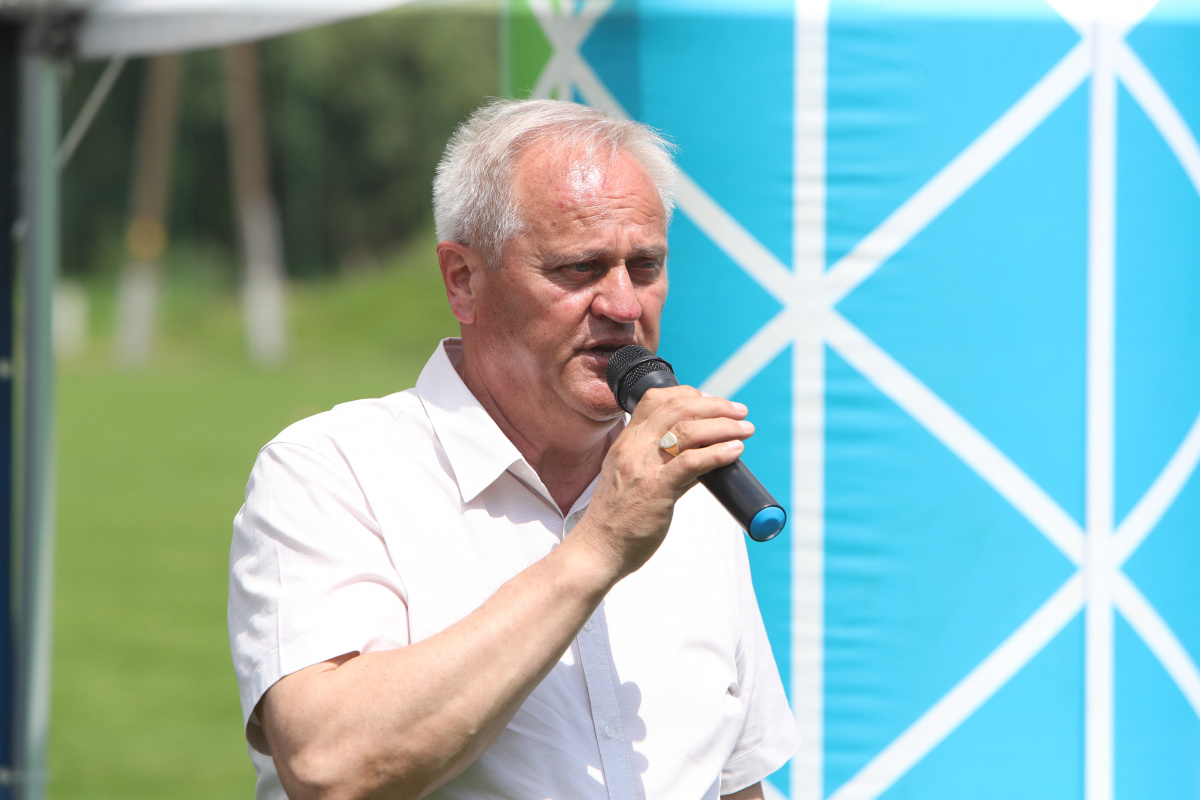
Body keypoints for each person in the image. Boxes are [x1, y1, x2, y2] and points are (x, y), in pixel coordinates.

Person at [228, 98, 800, 800]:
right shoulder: (329, 470)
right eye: (581, 267)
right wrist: (600, 545)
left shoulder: (687, 486)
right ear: (463, 281)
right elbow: (331, 767)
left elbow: (736, 783)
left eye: (645, 266)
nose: (624, 305)